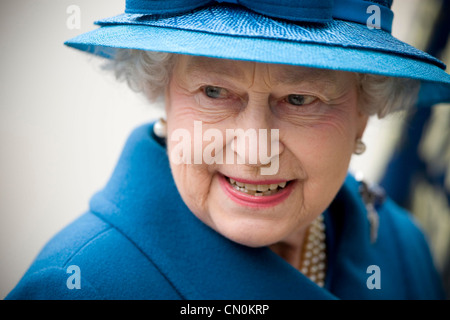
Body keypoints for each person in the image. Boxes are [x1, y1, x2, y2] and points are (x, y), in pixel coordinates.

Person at [6, 0, 450, 300]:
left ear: (363, 113)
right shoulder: (79, 286)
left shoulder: (399, 242)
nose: (256, 150)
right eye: (214, 91)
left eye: (299, 99)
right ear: (164, 93)